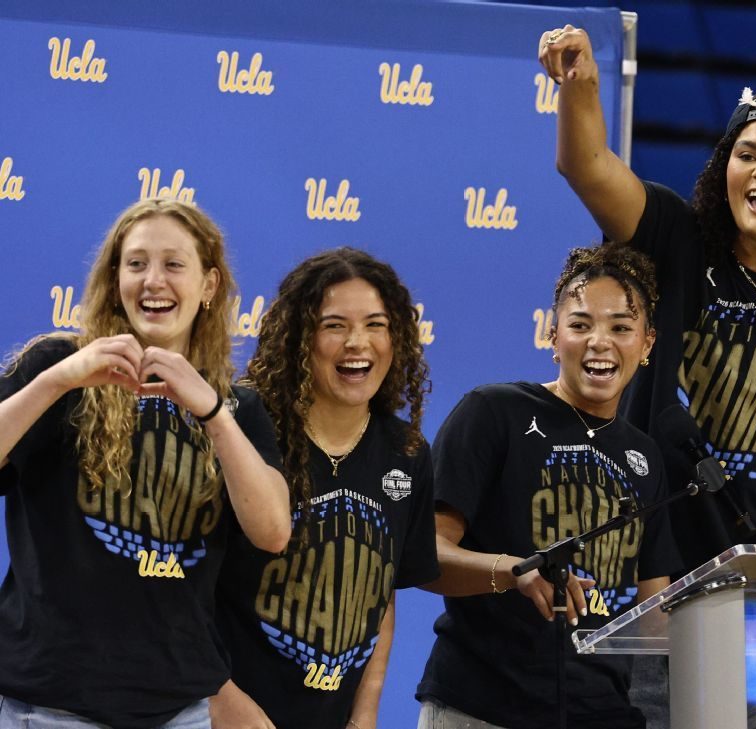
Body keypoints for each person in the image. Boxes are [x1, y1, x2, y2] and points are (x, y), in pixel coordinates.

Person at [539, 25, 756, 576]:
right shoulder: (675, 242)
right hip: (636, 579)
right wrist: (581, 83)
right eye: (746, 154)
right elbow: (586, 165)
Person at [0, 198, 290, 728]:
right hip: (51, 706)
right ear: (115, 280)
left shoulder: (236, 405)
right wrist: (58, 380)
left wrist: (211, 412)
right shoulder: (55, 369)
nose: (153, 280)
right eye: (136, 264)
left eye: (174, 264)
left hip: (177, 710)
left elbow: (272, 531)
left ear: (208, 286)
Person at [416, 243, 679, 729]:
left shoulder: (645, 457)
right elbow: (424, 554)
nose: (600, 341)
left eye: (621, 327)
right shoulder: (494, 412)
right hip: (482, 709)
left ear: (646, 345)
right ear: (553, 336)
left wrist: (750, 635)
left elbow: (654, 613)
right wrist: (513, 571)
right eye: (580, 325)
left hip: (603, 715)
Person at [210, 248, 439, 729]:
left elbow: (381, 592)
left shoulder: (407, 451)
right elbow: (183, 589)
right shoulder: (246, 432)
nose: (359, 342)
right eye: (334, 325)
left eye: (376, 325)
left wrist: (366, 709)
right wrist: (221, 699)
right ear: (298, 339)